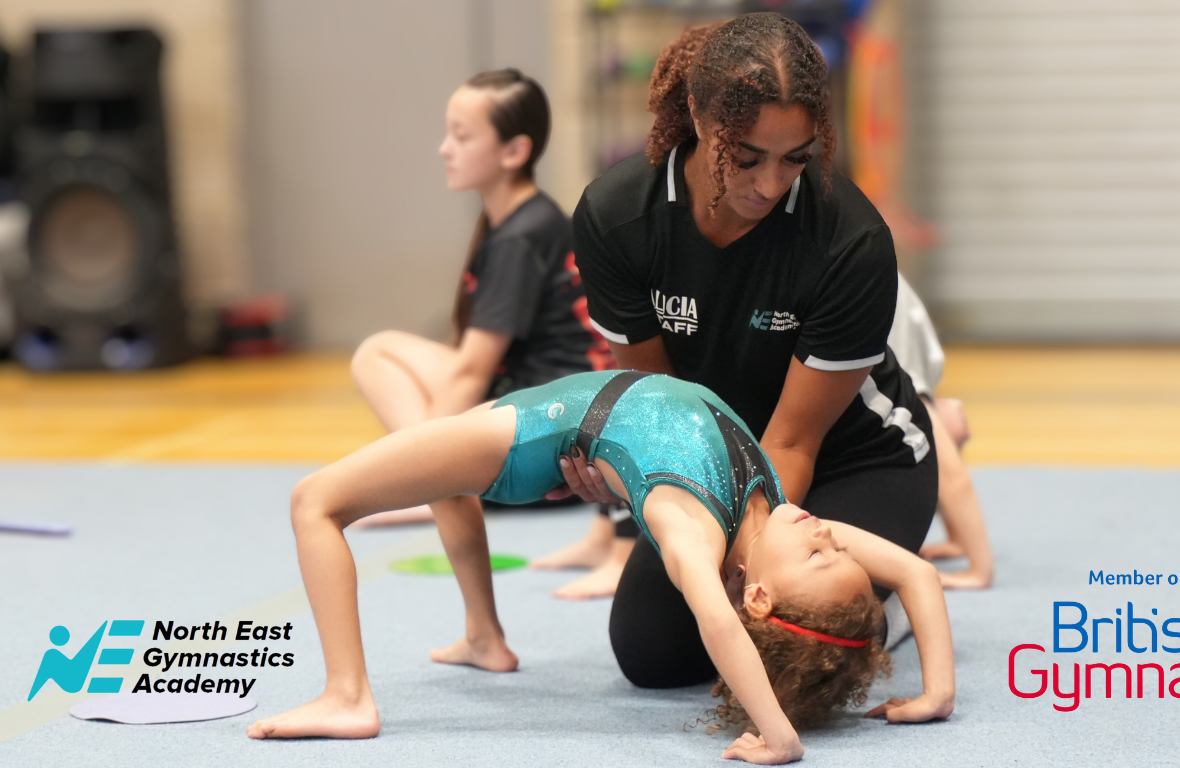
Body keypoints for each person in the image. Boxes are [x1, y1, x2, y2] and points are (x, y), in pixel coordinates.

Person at [245, 370, 955, 763]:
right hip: (562, 410)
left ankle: (347, 696)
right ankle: (482, 636)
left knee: (317, 501)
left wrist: (780, 734)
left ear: (761, 598)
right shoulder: (775, 520)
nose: (827, 534)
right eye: (834, 547)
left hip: (539, 434)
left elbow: (714, 615)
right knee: (439, 469)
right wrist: (936, 694)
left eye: (818, 553)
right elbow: (919, 575)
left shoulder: (693, 530)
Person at [539, 13, 941, 681]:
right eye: (747, 156)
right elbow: (658, 412)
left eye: (796, 158)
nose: (771, 184)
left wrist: (740, 565)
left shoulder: (849, 241)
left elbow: (792, 445)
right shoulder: (617, 219)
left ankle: (877, 607)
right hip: (718, 461)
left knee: (801, 645)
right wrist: (623, 480)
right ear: (699, 115)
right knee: (651, 652)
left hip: (857, 459)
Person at [349, 68, 611, 530]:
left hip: (547, 443)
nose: (444, 148)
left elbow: (471, 371)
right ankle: (430, 481)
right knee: (386, 353)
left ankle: (427, 482)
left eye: (462, 135)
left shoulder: (521, 236)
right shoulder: (519, 222)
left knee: (376, 355)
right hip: (553, 421)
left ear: (514, 150)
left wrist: (399, 468)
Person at [888, 273, 994, 589]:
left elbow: (954, 479)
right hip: (915, 361)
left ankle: (977, 559)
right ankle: (959, 537)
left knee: (933, 429)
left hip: (904, 360)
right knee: (945, 420)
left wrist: (979, 570)